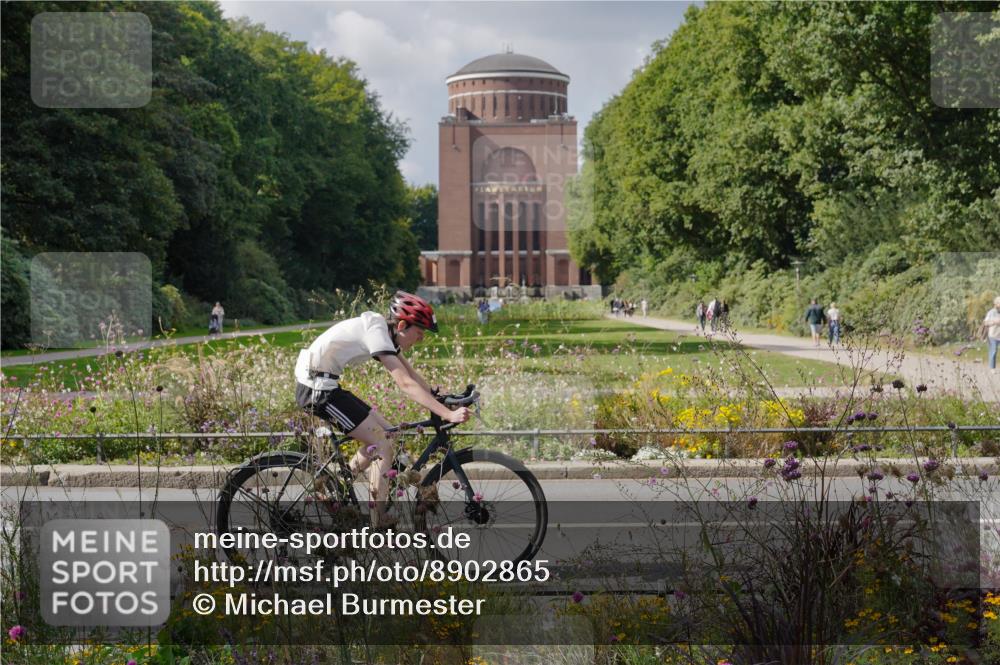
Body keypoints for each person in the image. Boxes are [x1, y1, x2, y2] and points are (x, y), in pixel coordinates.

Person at [294, 291, 471, 526]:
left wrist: (440, 396)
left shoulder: (385, 334)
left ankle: (334, 487)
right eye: (419, 333)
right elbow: (405, 383)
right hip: (317, 389)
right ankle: (378, 521)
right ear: (401, 325)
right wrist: (447, 414)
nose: (420, 340)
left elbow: (410, 374)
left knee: (387, 432)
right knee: (382, 445)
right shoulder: (377, 333)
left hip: (326, 384)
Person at [984, 296, 1000, 371]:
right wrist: (994, 322)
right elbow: (985, 323)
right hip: (993, 335)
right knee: (993, 351)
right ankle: (992, 368)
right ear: (996, 303)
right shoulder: (991, 312)